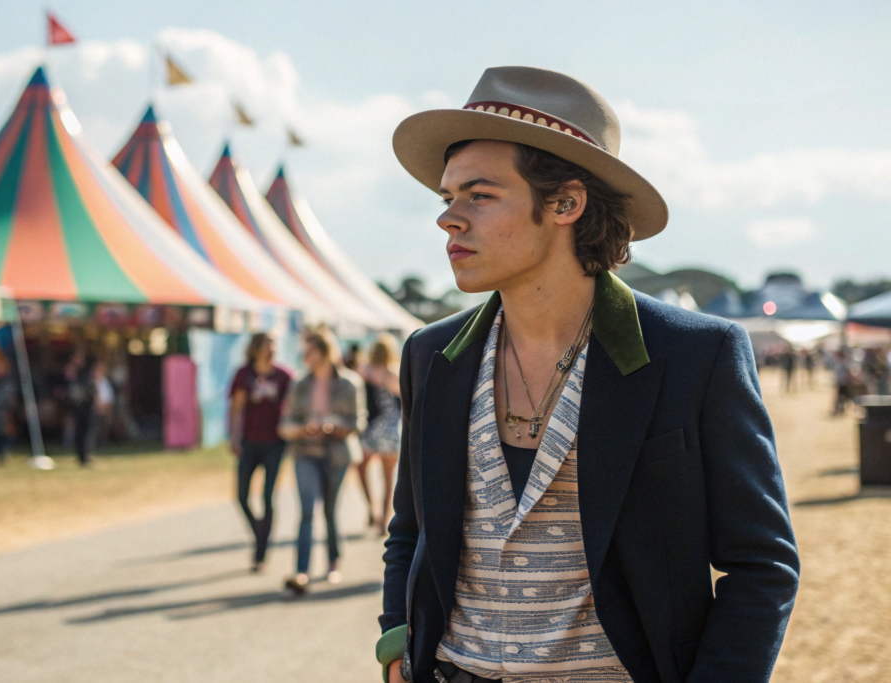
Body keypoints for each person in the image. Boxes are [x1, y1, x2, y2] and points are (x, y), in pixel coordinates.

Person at [378, 67, 799, 683]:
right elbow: (410, 531)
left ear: (566, 203)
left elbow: (762, 564)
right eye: (447, 199)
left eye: (480, 195)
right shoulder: (431, 354)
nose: (450, 219)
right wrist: (396, 646)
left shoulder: (694, 354)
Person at [278, 331, 367, 596]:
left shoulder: (349, 383)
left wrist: (332, 426)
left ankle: (333, 562)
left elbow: (357, 422)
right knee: (306, 511)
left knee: (330, 510)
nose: (305, 355)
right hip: (305, 452)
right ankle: (301, 571)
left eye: (310, 350)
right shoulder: (299, 383)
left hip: (336, 454)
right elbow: (287, 422)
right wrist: (303, 428)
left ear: (325, 352)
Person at [228, 333, 293, 571]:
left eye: (273, 345)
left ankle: (261, 553)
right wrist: (234, 436)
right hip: (249, 441)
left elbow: (292, 407)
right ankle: (260, 534)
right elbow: (236, 407)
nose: (271, 349)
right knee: (242, 497)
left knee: (267, 497)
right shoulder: (244, 374)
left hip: (275, 443)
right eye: (267, 345)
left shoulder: (284, 376)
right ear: (256, 348)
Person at [357, 334, 402, 534]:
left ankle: (372, 509)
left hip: (372, 428)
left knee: (361, 467)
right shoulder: (394, 372)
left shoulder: (365, 371)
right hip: (391, 430)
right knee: (388, 478)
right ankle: (383, 520)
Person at [67, 355, 96, 467]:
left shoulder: (85, 374)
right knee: (81, 433)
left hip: (86, 408)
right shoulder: (77, 374)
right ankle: (81, 456)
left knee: (86, 432)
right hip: (80, 409)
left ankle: (84, 455)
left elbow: (90, 391)